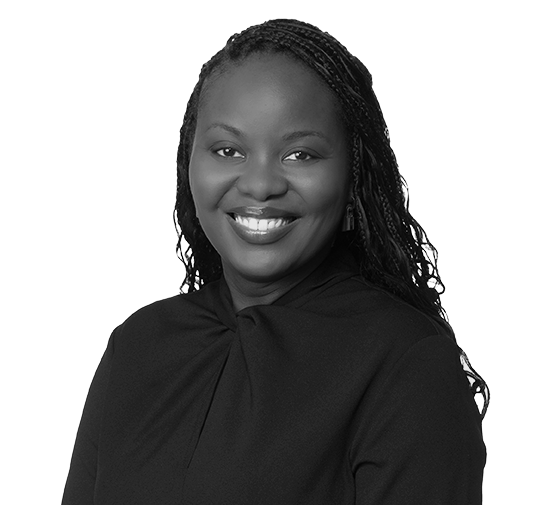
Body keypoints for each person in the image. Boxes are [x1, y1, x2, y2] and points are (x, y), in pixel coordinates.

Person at [62, 18, 488, 505]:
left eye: (300, 155)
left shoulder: (407, 365)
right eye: (228, 150)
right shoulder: (137, 347)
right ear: (189, 164)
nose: (260, 184)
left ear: (353, 177)